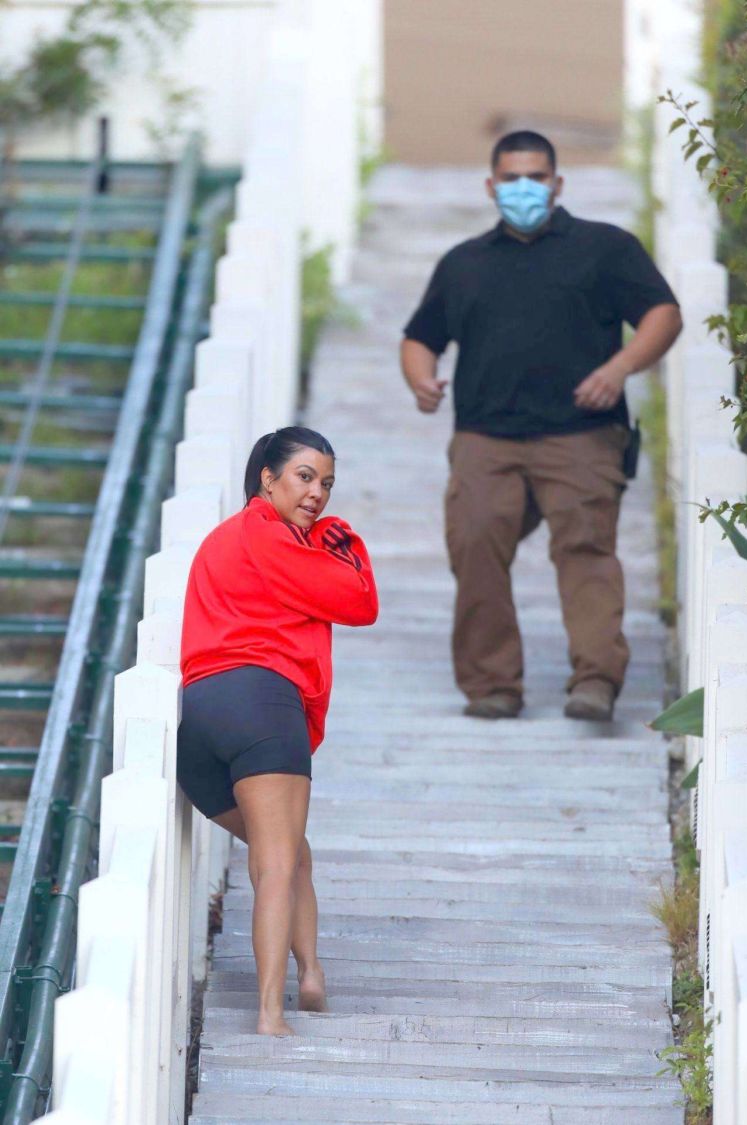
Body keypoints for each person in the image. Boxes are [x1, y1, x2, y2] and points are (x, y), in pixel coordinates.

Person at [401, 130, 682, 722]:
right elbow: (420, 336)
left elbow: (663, 313)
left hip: (581, 433)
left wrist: (621, 368)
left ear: (557, 183)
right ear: (491, 186)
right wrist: (421, 379)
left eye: (535, 177)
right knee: (474, 545)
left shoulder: (606, 249)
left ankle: (596, 681)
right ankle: (492, 685)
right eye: (511, 178)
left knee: (586, 550)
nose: (523, 188)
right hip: (485, 436)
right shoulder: (464, 263)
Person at [177, 427, 378, 1036]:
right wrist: (339, 536)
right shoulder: (273, 536)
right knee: (276, 861)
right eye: (305, 477)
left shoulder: (221, 541)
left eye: (328, 484)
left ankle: (312, 973)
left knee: (291, 853)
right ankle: (270, 1012)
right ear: (267, 478)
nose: (318, 494)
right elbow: (360, 599)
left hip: (200, 722)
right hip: (261, 705)